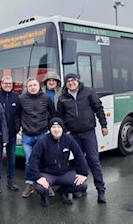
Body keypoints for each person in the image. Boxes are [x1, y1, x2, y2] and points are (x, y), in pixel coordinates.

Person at [57, 73, 108, 203]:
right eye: (68, 81)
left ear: (78, 81)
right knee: (79, 161)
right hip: (73, 134)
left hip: (88, 132)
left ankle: (101, 190)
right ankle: (81, 188)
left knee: (93, 160)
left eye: (73, 80)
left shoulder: (88, 92)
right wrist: (65, 130)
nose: (71, 83)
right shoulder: (62, 97)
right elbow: (60, 116)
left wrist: (104, 125)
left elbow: (98, 108)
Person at [29, 117, 88, 207]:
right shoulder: (43, 141)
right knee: (40, 187)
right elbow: (33, 158)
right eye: (53, 127)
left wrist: (83, 173)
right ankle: (44, 197)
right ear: (50, 129)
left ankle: (63, 192)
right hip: (47, 173)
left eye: (58, 127)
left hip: (64, 173)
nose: (56, 130)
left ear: (62, 128)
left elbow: (79, 154)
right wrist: (38, 176)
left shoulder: (68, 139)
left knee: (83, 185)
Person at [15, 77, 55, 198]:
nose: (32, 87)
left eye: (34, 85)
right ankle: (29, 184)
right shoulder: (21, 99)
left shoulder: (46, 98)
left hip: (42, 135)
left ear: (39, 86)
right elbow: (17, 115)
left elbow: (53, 114)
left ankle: (47, 184)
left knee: (44, 160)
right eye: (30, 85)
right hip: (27, 136)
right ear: (27, 87)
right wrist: (18, 128)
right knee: (29, 162)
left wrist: (50, 128)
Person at [0, 76, 19, 191]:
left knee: (11, 158)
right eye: (6, 83)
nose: (8, 85)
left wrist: (17, 127)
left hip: (12, 133)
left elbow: (19, 114)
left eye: (10, 83)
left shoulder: (16, 96)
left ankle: (11, 181)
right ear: (1, 84)